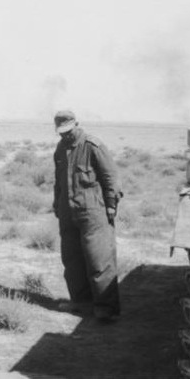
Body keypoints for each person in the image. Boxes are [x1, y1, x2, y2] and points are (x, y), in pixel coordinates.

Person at [52, 110, 122, 321]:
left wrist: (111, 206)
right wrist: (57, 204)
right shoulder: (60, 149)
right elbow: (59, 182)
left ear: (77, 125)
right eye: (61, 132)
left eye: (68, 131)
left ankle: (105, 308)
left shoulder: (93, 146)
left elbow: (111, 178)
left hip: (93, 212)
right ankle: (81, 303)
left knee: (99, 260)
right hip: (68, 212)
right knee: (72, 260)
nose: (65, 135)